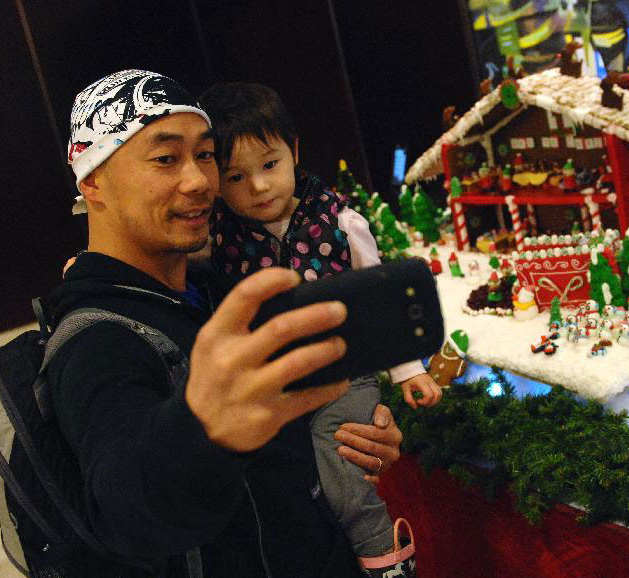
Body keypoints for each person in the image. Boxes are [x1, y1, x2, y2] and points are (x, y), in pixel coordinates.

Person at [47, 69, 404, 578]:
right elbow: (125, 508)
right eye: (165, 158)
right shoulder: (98, 339)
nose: (199, 181)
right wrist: (203, 426)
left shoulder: (219, 287)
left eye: (206, 155)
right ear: (92, 180)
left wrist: (355, 439)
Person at [200, 82, 441, 577]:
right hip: (271, 382)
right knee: (285, 480)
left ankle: (385, 555)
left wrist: (408, 370)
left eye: (269, 165)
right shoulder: (215, 237)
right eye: (236, 177)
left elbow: (380, 303)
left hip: (343, 373)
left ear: (293, 150)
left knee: (342, 458)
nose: (259, 187)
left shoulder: (341, 221)